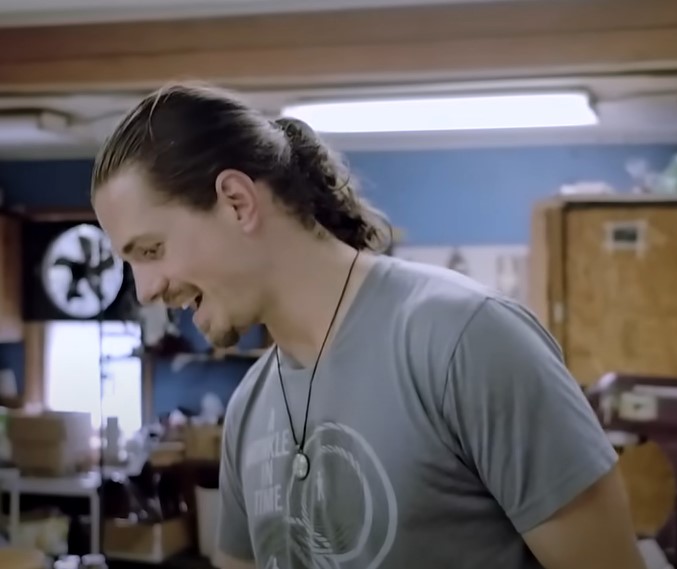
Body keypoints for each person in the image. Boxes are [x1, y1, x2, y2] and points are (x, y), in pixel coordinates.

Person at [91, 82, 646, 569]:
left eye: (152, 250)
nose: (146, 290)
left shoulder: (466, 341)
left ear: (237, 202)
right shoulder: (249, 409)